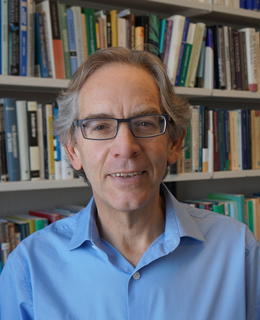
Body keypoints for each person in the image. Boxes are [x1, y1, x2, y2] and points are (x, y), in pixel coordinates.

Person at [0, 47, 259, 320]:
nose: (125, 148)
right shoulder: (30, 266)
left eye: (145, 123)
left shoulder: (237, 250)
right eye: (100, 126)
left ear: (175, 143)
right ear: (73, 151)